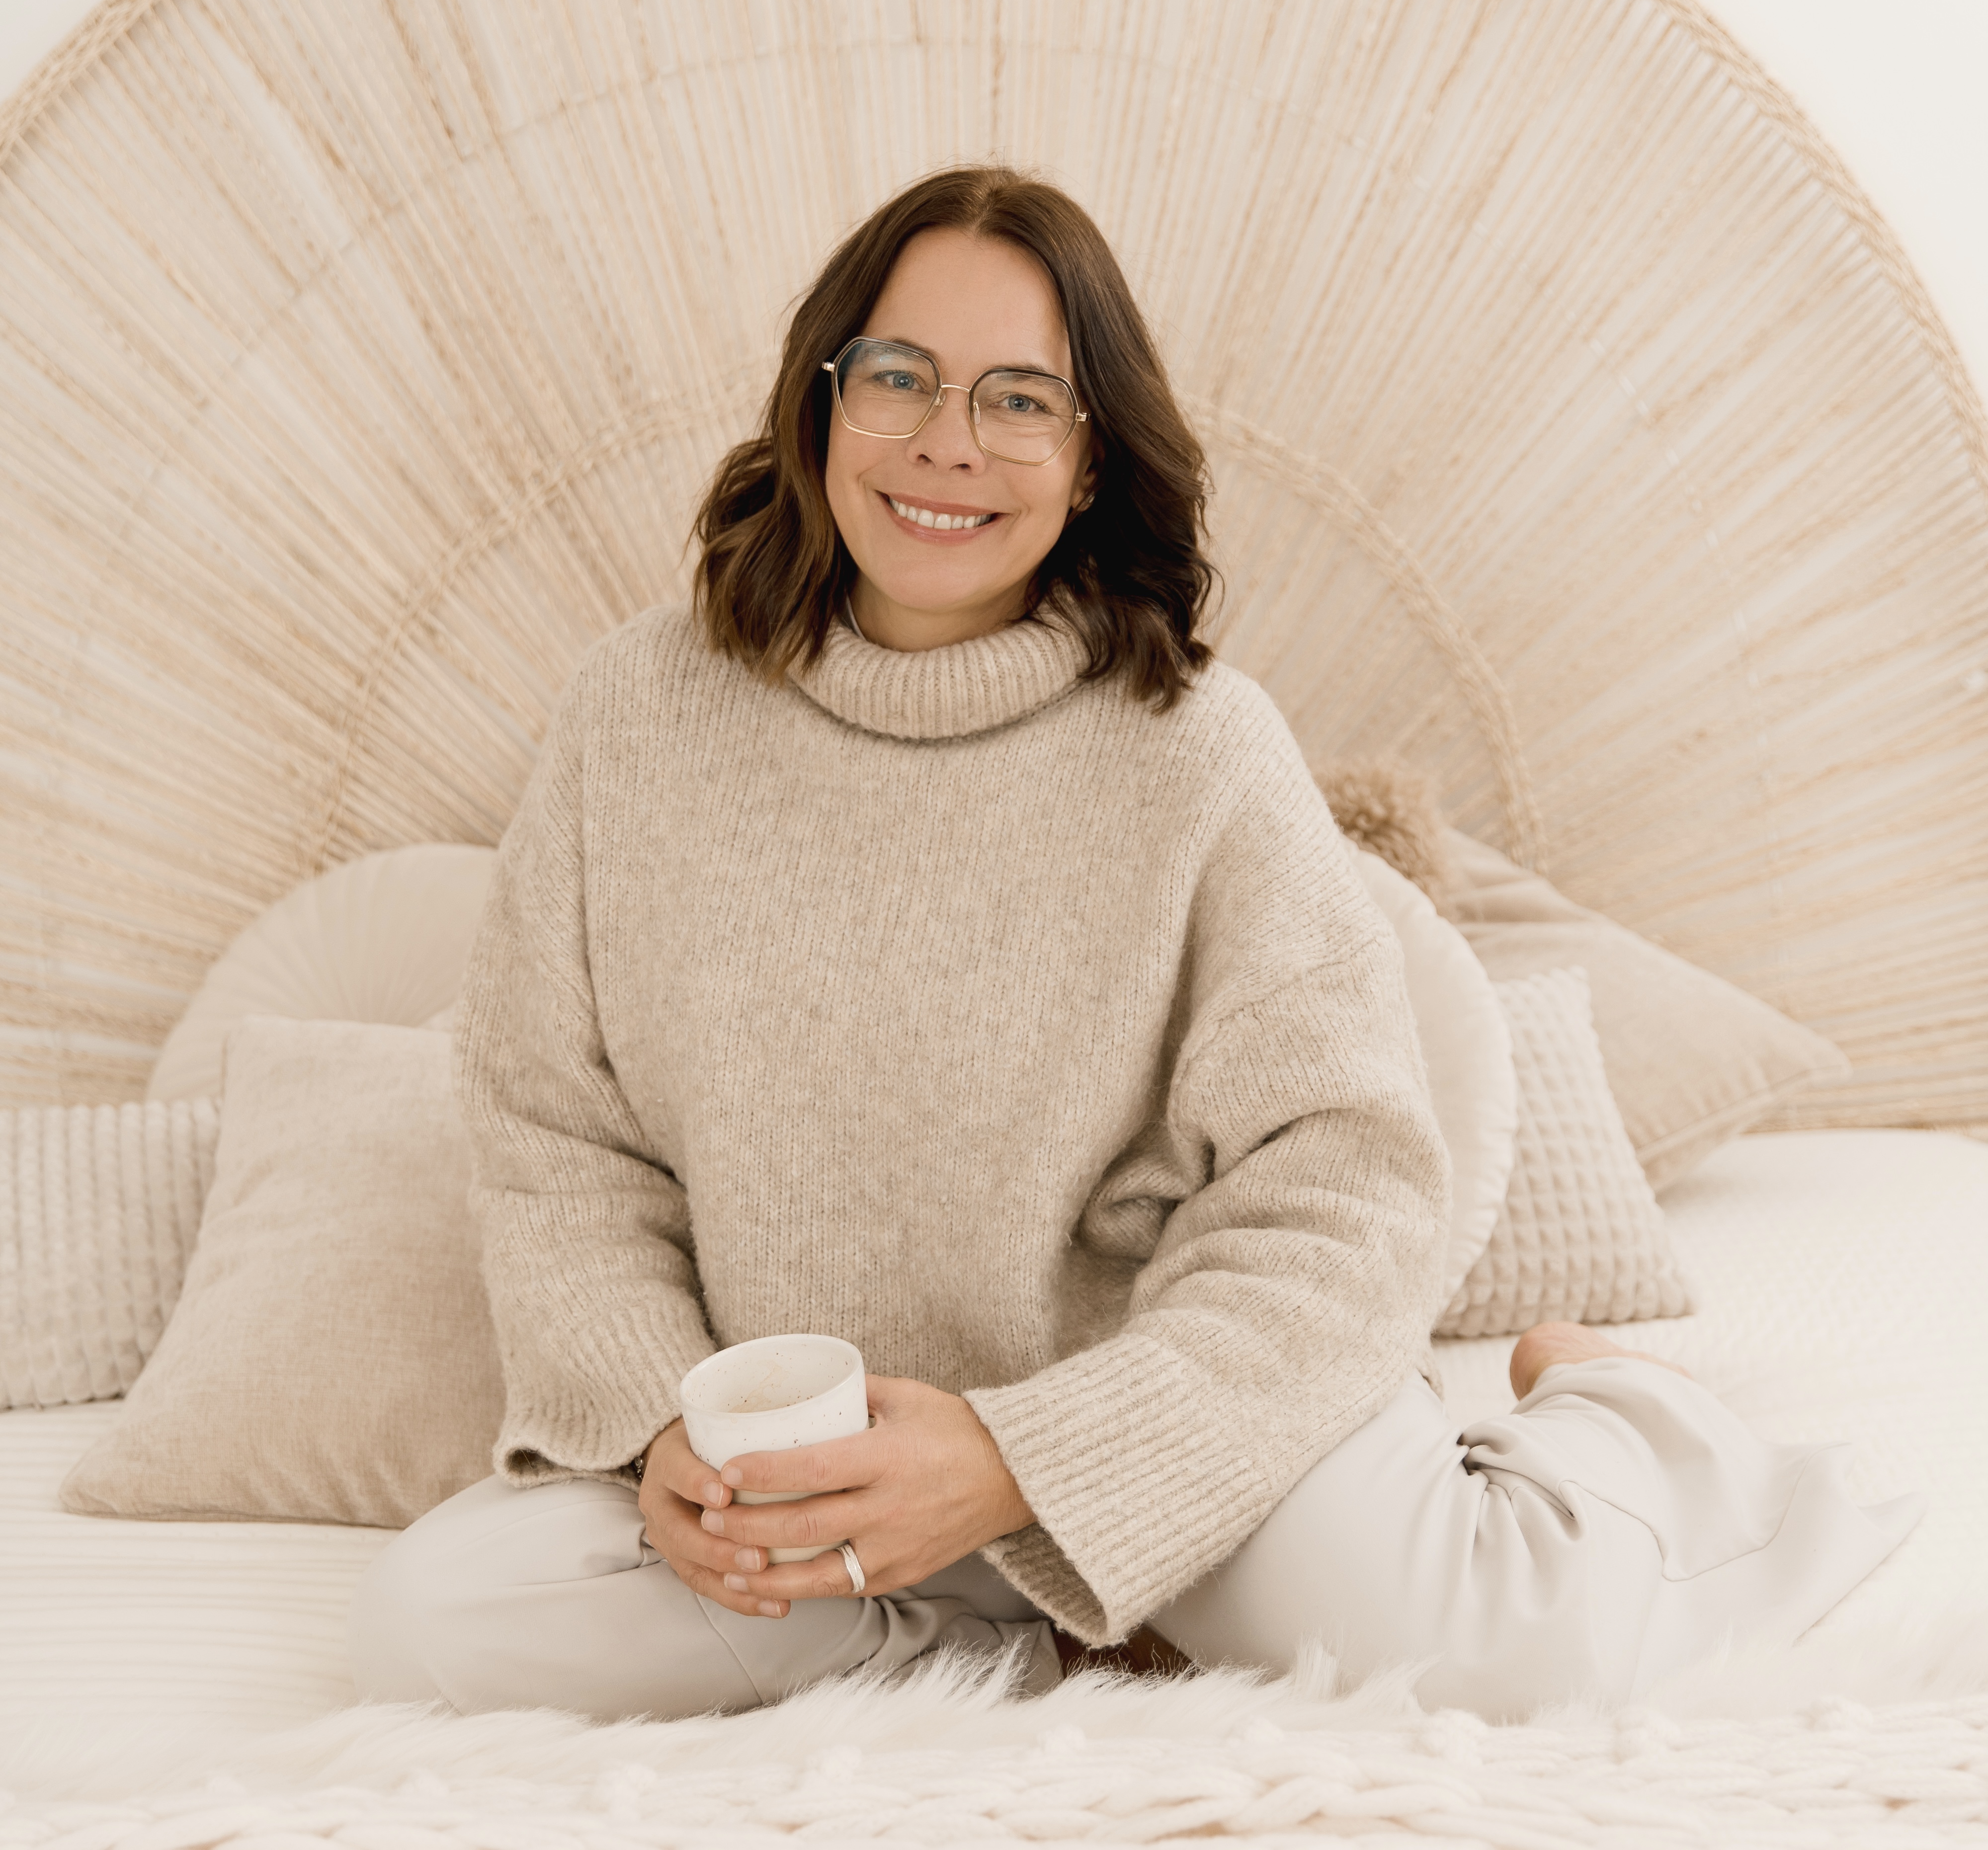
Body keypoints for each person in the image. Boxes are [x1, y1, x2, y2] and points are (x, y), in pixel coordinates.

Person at [349, 166, 1917, 1722]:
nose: (947, 443)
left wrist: (1025, 1466)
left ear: (1092, 459)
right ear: (820, 403)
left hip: (1164, 1431)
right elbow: (555, 1137)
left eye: (1021, 400)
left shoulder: (1203, 749)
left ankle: (1621, 1415)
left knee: (1503, 1658)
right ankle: (1004, 1624)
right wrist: (656, 1426)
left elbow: (1346, 1181)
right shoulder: (634, 717)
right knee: (451, 1615)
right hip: (818, 1476)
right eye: (897, 377)